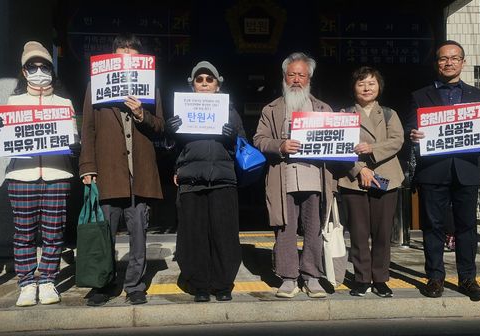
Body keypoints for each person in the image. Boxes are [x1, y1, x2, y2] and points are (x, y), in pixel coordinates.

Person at [407, 40, 480, 301]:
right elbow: (410, 128)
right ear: (437, 63)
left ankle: (468, 278)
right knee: (432, 226)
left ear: (463, 62)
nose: (449, 63)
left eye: (454, 58)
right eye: (443, 59)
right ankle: (435, 277)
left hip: (466, 170)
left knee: (467, 227)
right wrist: (413, 134)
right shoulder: (420, 95)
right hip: (433, 170)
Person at [79, 33, 164, 306]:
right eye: (121, 54)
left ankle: (135, 285)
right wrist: (87, 167)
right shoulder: (96, 86)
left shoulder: (150, 88)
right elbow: (88, 130)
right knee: (105, 234)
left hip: (140, 174)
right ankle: (103, 284)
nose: (127, 59)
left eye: (132, 54)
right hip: (108, 172)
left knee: (138, 234)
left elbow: (161, 126)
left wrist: (142, 114)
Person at [253, 52, 335, 299]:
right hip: (284, 177)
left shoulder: (323, 108)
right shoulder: (272, 109)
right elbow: (259, 139)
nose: (297, 79)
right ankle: (288, 277)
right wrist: (280, 145)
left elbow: (337, 140)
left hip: (315, 178)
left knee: (314, 228)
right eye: (292, 74)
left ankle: (311, 276)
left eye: (302, 74)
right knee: (285, 229)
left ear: (309, 77)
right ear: (284, 77)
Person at [4, 41, 78, 307]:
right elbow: (3, 141)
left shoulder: (64, 102)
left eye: (43, 66)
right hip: (21, 176)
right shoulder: (13, 102)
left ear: (51, 69)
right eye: (32, 67)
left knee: (53, 231)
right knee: (23, 233)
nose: (38, 71)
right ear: (24, 72)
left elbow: (73, 137)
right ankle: (25, 282)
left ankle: (48, 279)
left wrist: (73, 139)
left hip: (57, 174)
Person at [166, 61, 245, 302]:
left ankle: (222, 284)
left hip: (223, 180)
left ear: (217, 85)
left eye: (209, 80)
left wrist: (234, 138)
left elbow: (244, 145)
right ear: (193, 85)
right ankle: (199, 284)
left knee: (224, 234)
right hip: (191, 180)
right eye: (199, 80)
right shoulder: (181, 112)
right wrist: (170, 133)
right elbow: (172, 150)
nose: (204, 84)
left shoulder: (231, 112)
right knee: (193, 235)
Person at [338, 66, 403, 298]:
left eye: (371, 83)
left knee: (382, 232)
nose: (366, 88)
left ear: (379, 87)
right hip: (353, 179)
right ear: (354, 88)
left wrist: (372, 149)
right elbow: (338, 147)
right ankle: (362, 278)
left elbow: (397, 141)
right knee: (358, 232)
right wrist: (359, 169)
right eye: (361, 83)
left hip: (385, 177)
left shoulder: (388, 114)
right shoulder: (344, 115)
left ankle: (381, 279)